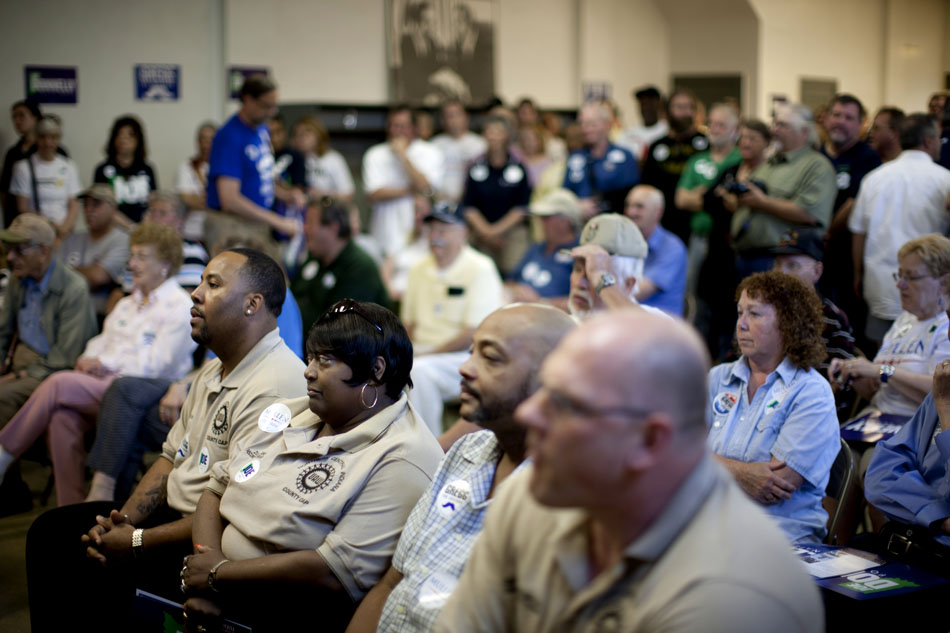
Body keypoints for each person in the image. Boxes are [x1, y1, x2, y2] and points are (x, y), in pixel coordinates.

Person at [433, 310, 823, 632]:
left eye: (565, 404)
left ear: (648, 441)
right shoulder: (529, 496)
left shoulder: (735, 595)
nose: (529, 414)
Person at [24, 248, 306, 633]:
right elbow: (170, 458)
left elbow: (232, 513)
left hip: (210, 544)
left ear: (251, 305)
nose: (195, 293)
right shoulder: (214, 369)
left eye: (214, 284)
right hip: (172, 519)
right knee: (54, 533)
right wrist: (120, 523)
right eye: (201, 281)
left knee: (82, 565)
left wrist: (137, 541)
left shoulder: (276, 386)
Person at [180, 300, 443, 632]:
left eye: (326, 360)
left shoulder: (404, 456)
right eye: (311, 357)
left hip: (291, 616)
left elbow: (331, 572)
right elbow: (215, 489)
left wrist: (217, 576)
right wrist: (208, 572)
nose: (308, 370)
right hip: (215, 585)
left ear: (375, 371)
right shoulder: (295, 410)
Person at [347, 304, 575, 633]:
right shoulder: (467, 451)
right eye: (470, 354)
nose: (465, 368)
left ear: (553, 378)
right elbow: (392, 583)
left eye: (491, 358)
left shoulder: (566, 499)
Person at [0, 223, 195, 506]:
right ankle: (73, 509)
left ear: (164, 265)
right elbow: (99, 342)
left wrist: (103, 362)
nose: (131, 264)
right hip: (103, 385)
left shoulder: (180, 306)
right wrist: (90, 359)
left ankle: (5, 450)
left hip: (146, 393)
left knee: (57, 382)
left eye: (141, 257)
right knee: (61, 417)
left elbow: (154, 365)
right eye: (132, 256)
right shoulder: (128, 303)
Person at [707, 271, 839, 544]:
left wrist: (700, 464)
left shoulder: (811, 392)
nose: (741, 324)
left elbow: (774, 486)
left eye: (754, 314)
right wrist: (742, 472)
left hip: (778, 537)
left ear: (788, 323)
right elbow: (672, 457)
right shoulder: (718, 378)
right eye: (740, 312)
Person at [0, 214, 96, 511]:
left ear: (45, 250)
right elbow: (3, 332)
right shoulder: (19, 281)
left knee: (1, 398)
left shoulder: (73, 288)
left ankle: (12, 492)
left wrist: (16, 377)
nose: (10, 257)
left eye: (20, 249)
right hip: (22, 365)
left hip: (54, 372)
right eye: (8, 249)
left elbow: (64, 358)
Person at [849, 113, 950, 346]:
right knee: (928, 355)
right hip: (929, 289)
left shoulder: (874, 178)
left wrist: (858, 274)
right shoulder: (944, 179)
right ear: (928, 141)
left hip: (881, 283)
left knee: (883, 355)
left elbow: (858, 232)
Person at [402, 203, 503, 434]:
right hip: (421, 351)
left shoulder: (480, 268)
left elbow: (474, 333)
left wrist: (426, 354)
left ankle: (429, 449)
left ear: (463, 233)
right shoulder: (417, 269)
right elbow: (409, 324)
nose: (436, 237)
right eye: (432, 230)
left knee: (419, 371)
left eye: (444, 230)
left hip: (464, 355)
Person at [830, 234, 950, 419]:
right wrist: (852, 372)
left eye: (910, 277)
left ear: (943, 283)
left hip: (916, 430)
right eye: (900, 275)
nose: (899, 284)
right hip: (877, 421)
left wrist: (881, 370)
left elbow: (943, 396)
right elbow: (877, 394)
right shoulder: (903, 321)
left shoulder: (946, 327)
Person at [864, 338, 950, 562]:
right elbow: (880, 475)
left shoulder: (943, 396)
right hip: (915, 545)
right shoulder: (943, 389)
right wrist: (938, 518)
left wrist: (946, 410)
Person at [730, 103, 836, 279]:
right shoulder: (770, 163)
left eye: (782, 125)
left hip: (780, 262)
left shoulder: (817, 166)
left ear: (804, 131)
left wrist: (762, 202)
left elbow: (810, 214)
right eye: (774, 124)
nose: (774, 130)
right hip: (745, 255)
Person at [206, 74, 299, 245]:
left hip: (257, 223)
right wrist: (278, 221)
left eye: (274, 106)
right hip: (233, 225)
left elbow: (256, 177)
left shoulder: (261, 129)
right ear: (248, 100)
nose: (271, 112)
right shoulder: (229, 136)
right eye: (266, 106)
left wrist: (284, 195)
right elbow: (230, 200)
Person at [820, 94, 882, 347]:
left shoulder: (867, 157)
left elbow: (853, 204)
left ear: (860, 124)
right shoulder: (817, 155)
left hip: (847, 257)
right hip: (816, 258)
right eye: (836, 115)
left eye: (848, 117)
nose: (841, 122)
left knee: (848, 324)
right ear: (825, 119)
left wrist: (826, 232)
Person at [291, 199, 391, 338]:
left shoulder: (360, 268)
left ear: (333, 228)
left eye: (311, 223)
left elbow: (341, 328)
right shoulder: (314, 259)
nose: (305, 228)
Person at [363, 105, 444, 257]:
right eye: (393, 125)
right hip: (384, 233)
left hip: (419, 235)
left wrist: (403, 156)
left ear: (414, 128)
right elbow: (373, 194)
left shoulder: (431, 152)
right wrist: (411, 190)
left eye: (402, 126)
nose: (397, 131)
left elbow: (426, 187)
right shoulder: (375, 154)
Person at [771, 229, 855, 373]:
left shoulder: (833, 319)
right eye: (777, 264)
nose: (781, 273)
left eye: (792, 266)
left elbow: (836, 380)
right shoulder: (758, 310)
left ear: (817, 271)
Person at [461, 115, 532, 274]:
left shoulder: (518, 166)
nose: (493, 136)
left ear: (507, 135)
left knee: (514, 268)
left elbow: (521, 208)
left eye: (498, 132)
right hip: (481, 231)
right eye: (489, 132)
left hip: (511, 231)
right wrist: (486, 232)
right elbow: (469, 205)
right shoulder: (475, 166)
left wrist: (495, 231)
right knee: (479, 269)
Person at [640, 88, 709, 243]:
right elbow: (646, 185)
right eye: (679, 107)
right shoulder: (657, 145)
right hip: (663, 221)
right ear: (667, 111)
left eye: (689, 107)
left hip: (696, 223)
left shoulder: (706, 144)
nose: (685, 112)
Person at [57, 184, 130, 317]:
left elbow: (98, 277)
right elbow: (51, 274)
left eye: (96, 204)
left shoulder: (123, 240)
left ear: (113, 208)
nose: (88, 210)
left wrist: (65, 272)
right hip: (63, 308)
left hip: (96, 313)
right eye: (85, 205)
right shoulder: (72, 239)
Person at [506, 188, 580, 310]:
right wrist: (517, 289)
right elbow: (510, 281)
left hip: (555, 321)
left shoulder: (579, 254)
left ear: (566, 221)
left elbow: (586, 303)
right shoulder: (536, 247)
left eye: (546, 217)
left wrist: (540, 302)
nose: (540, 222)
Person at [563, 101, 638, 218]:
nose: (585, 129)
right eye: (582, 124)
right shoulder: (575, 158)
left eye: (591, 124)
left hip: (615, 223)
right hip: (580, 225)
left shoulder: (624, 157)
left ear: (607, 124)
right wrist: (577, 205)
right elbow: (564, 194)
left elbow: (631, 196)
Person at [9, 116, 81, 238]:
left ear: (59, 139)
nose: (48, 143)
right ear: (36, 138)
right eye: (43, 137)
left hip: (64, 233)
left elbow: (74, 204)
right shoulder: (23, 167)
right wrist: (52, 225)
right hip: (35, 233)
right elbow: (23, 208)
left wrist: (64, 229)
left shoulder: (69, 166)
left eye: (53, 137)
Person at [623, 184, 687, 316]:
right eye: (628, 205)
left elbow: (636, 293)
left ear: (658, 212)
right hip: (631, 319)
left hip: (660, 328)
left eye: (639, 207)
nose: (630, 212)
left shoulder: (672, 248)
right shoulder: (625, 243)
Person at [1, 100, 67, 227]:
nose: (17, 121)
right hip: (20, 222)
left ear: (35, 118)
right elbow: (5, 191)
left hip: (54, 224)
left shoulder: (58, 152)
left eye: (21, 116)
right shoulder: (13, 153)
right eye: (14, 117)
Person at [92, 115, 158, 225]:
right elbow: (101, 206)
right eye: (119, 134)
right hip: (112, 228)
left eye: (129, 135)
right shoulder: (102, 170)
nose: (123, 139)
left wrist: (143, 225)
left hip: (144, 227)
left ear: (138, 140)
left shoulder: (147, 169)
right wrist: (130, 227)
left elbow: (154, 202)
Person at [430, 99, 486, 203]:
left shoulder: (480, 144)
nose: (454, 120)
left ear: (466, 117)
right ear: (442, 120)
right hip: (439, 202)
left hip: (472, 203)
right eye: (449, 116)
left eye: (457, 115)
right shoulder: (433, 145)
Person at [292, 116, 355, 202]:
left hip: (328, 211)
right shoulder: (293, 160)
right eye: (297, 135)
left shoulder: (333, 159)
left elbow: (348, 194)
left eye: (305, 134)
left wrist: (323, 195)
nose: (301, 139)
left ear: (318, 135)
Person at [617, 85, 669, 162]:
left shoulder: (667, 131)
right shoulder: (628, 134)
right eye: (643, 104)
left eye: (650, 104)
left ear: (658, 105)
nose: (646, 108)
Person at [174, 121, 217, 211]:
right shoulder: (186, 166)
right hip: (193, 222)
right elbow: (184, 198)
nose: (206, 144)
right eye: (203, 139)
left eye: (211, 139)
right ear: (197, 142)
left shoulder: (225, 168)